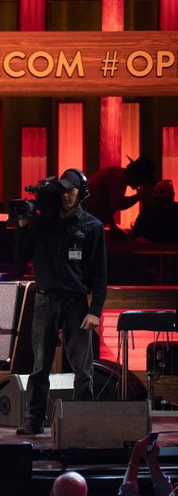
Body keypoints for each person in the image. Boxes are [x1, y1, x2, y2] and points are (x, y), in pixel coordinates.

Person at [12, 168, 106, 435]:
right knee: (40, 365)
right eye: (62, 190)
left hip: (77, 303)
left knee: (82, 368)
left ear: (82, 193)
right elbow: (20, 257)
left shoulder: (92, 226)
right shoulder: (42, 222)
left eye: (71, 190)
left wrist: (96, 310)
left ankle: (82, 420)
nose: (66, 196)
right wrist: (22, 227)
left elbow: (100, 273)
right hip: (45, 300)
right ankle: (34, 418)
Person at [86, 155, 156, 237]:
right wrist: (138, 197)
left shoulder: (117, 175)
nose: (142, 183)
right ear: (137, 175)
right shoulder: (119, 178)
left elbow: (106, 204)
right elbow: (117, 203)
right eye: (143, 179)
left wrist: (113, 226)